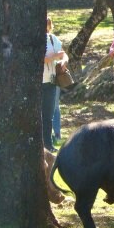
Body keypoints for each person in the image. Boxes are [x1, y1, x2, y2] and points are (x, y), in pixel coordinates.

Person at [43, 16, 68, 152]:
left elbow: (64, 54)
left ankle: (48, 144)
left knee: (48, 114)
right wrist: (54, 57)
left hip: (51, 81)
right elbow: (42, 60)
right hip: (38, 83)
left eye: (47, 25)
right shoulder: (34, 39)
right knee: (39, 115)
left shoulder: (52, 39)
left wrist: (64, 61)